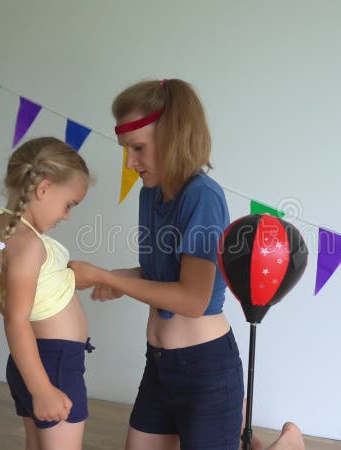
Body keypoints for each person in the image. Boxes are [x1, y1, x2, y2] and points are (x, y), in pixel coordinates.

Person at [69, 78, 244, 450]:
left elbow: (193, 300)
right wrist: (117, 279)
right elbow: (160, 274)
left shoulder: (202, 197)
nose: (130, 163)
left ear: (174, 137)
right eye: (126, 150)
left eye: (138, 148)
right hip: (160, 364)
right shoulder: (151, 193)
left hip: (205, 368)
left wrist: (103, 275)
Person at [0, 137, 93, 450]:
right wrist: (42, 389)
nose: (66, 215)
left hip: (37, 359)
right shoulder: (27, 243)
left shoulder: (3, 234)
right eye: (69, 205)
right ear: (43, 189)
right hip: (52, 364)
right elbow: (16, 319)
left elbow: (16, 279)